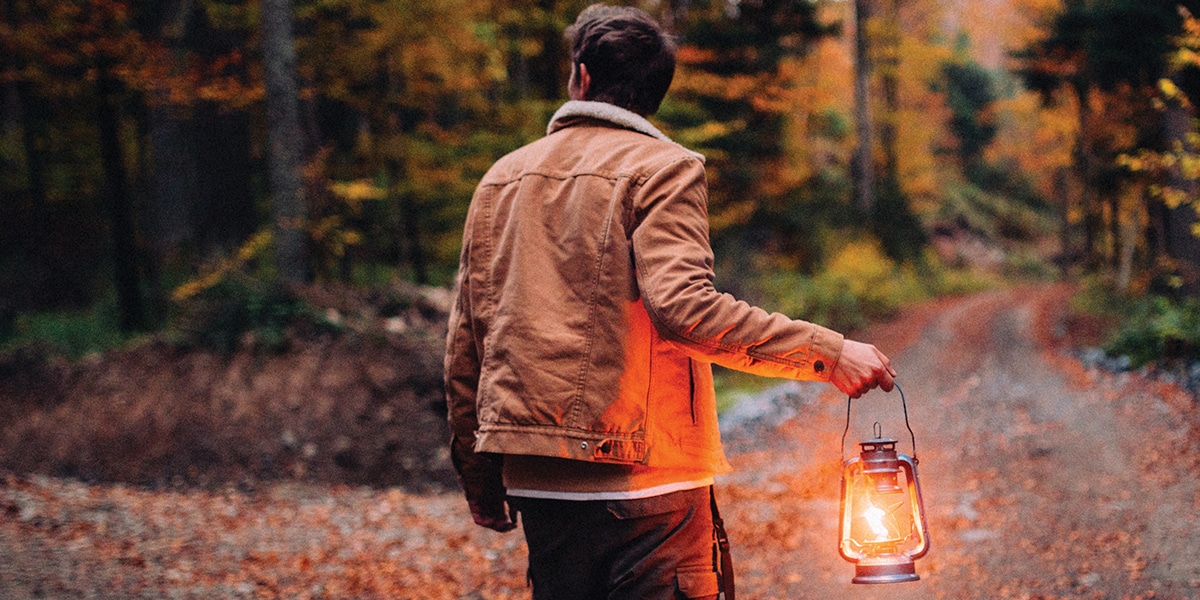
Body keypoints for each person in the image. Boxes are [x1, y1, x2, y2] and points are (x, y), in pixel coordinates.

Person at [444, 4, 896, 599]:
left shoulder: (500, 179)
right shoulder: (664, 168)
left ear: (581, 76)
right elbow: (685, 311)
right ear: (655, 92)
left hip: (540, 483)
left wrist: (480, 478)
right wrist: (828, 353)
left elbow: (466, 346)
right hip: (648, 483)